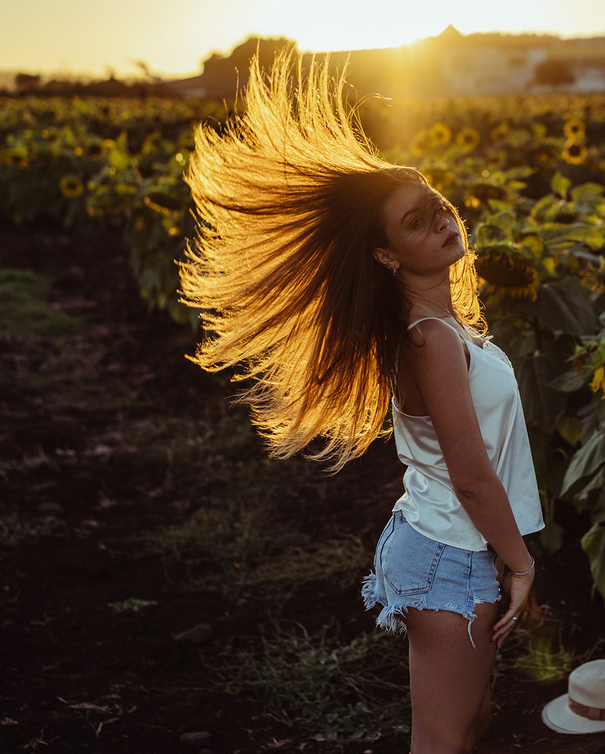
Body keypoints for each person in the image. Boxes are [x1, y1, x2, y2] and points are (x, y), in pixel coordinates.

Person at [178, 49, 544, 754]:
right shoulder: (428, 340)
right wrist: (520, 562)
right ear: (385, 255)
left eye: (436, 203)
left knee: (470, 724)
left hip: (454, 545)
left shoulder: (445, 328)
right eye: (416, 221)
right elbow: (469, 471)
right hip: (449, 554)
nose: (441, 218)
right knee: (443, 738)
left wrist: (503, 556)